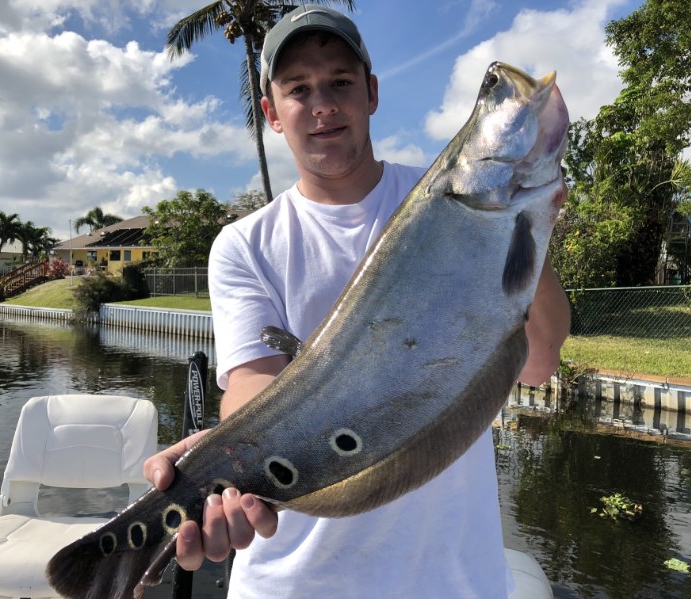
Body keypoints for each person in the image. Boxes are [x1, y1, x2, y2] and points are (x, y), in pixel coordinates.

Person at [144, 5, 571, 597]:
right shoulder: (244, 244)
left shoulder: (446, 199)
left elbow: (539, 359)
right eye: (299, 89)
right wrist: (233, 457)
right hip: (293, 581)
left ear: (371, 93)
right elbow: (251, 381)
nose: (323, 105)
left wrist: (527, 222)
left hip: (450, 578)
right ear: (271, 112)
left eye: (340, 82)